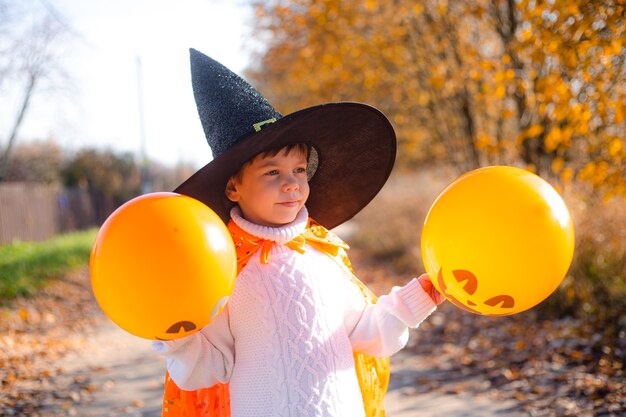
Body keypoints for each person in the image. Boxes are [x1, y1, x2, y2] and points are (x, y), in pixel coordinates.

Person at [152, 49, 445, 417]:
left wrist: (415, 300)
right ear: (232, 189)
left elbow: (366, 332)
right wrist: (174, 337)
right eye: (272, 173)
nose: (291, 185)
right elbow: (210, 367)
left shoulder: (323, 256)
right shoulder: (223, 274)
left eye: (300, 170)